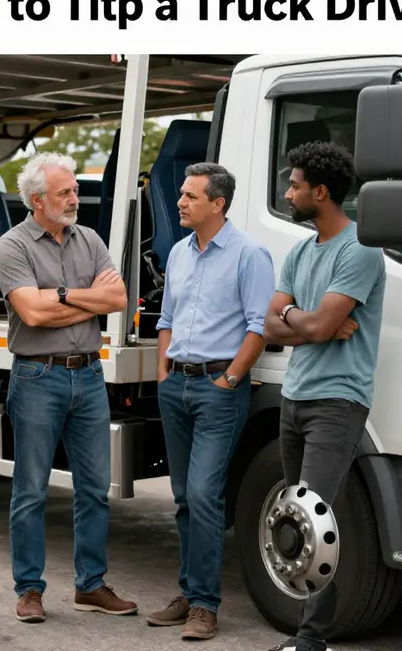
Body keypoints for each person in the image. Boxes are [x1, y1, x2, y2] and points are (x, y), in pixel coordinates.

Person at [0, 152, 138, 623]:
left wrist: (56, 295)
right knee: (31, 490)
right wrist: (85, 302)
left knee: (95, 488)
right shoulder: (12, 246)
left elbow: (117, 298)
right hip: (37, 376)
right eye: (65, 193)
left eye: (74, 190)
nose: (76, 198)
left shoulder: (90, 238)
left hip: (89, 375)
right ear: (37, 201)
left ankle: (90, 586)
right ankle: (30, 590)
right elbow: (31, 315)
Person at [262, 141, 386, 651]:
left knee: (316, 519)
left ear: (321, 192)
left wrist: (304, 321)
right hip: (295, 397)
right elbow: (271, 323)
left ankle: (310, 640)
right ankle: (306, 632)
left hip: (338, 402)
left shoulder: (360, 250)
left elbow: (312, 323)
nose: (288, 194)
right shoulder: (299, 249)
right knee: (298, 517)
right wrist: (304, 323)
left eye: (294, 186)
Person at [147, 162, 276, 641]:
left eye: (190, 196)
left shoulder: (249, 254)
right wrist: (162, 372)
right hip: (174, 386)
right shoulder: (179, 252)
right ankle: (189, 593)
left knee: (204, 495)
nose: (179, 202)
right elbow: (165, 319)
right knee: (182, 498)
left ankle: (205, 605)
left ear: (217, 203)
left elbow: (258, 327)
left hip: (217, 389)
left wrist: (230, 379)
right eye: (181, 194)